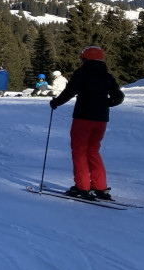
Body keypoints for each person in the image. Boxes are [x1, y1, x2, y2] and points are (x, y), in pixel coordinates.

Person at [49, 46, 124, 201]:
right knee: (93, 151)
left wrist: (56, 102)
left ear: (84, 59)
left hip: (83, 118)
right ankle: (100, 187)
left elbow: (69, 92)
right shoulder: (107, 76)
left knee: (79, 151)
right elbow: (119, 97)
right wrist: (105, 104)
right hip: (101, 120)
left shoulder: (81, 73)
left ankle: (82, 187)